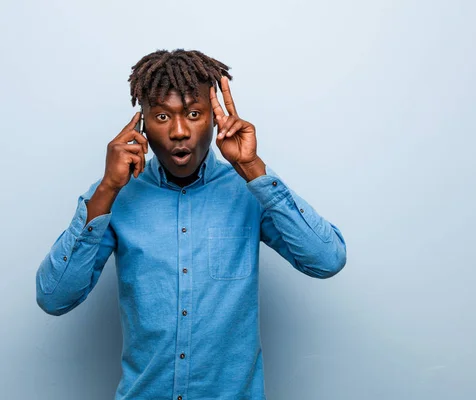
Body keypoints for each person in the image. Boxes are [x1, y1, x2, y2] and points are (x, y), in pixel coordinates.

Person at [35, 48, 347, 400]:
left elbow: (327, 260)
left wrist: (254, 169)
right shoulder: (115, 195)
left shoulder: (248, 191)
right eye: (163, 117)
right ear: (142, 126)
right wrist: (107, 188)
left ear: (215, 120)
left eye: (194, 113)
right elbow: (53, 298)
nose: (180, 131)